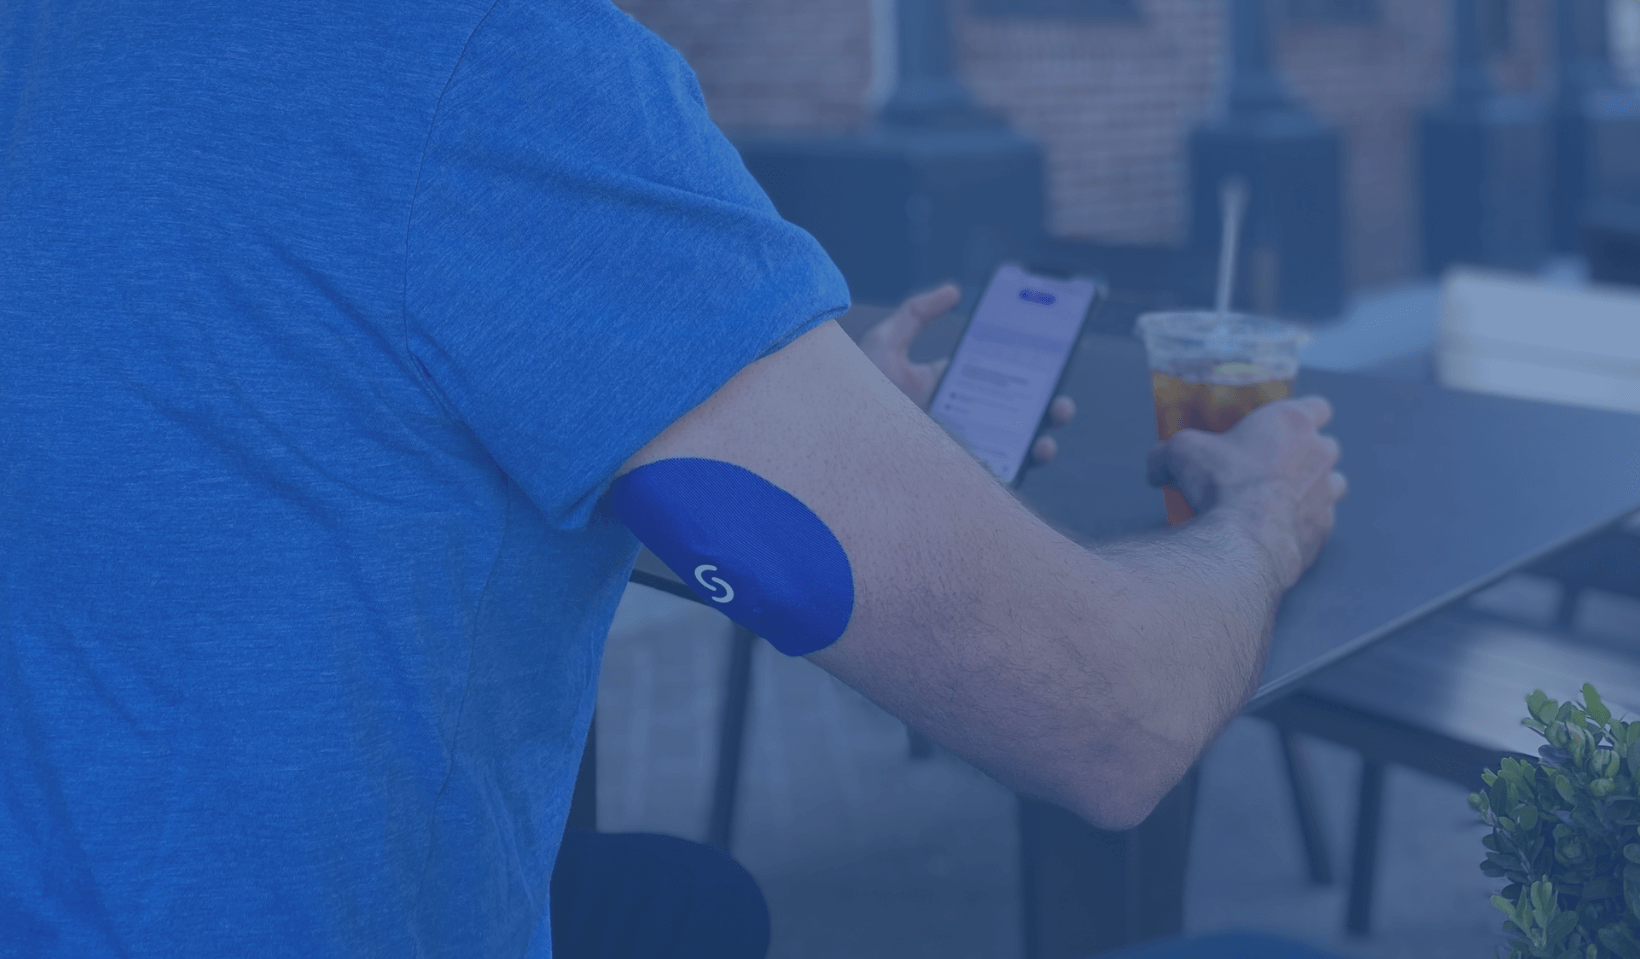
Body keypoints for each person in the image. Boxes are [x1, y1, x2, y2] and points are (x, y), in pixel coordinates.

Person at [0, 3, 1344, 959]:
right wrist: (1264, 516)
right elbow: (1111, 715)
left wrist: (763, 416)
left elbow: (278, 425)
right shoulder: (494, 67)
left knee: (689, 903)